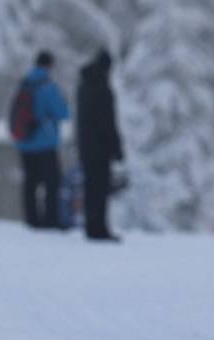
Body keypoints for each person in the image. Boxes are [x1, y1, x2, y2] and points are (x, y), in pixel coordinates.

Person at [13, 50, 70, 229]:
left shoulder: (25, 83)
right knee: (52, 183)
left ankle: (32, 220)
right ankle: (51, 220)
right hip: (45, 143)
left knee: (30, 182)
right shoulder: (48, 86)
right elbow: (63, 113)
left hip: (24, 142)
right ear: (50, 65)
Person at [76, 49, 125, 241]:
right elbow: (108, 123)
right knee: (101, 190)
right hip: (101, 150)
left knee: (90, 188)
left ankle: (91, 226)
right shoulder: (102, 88)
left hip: (86, 148)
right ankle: (100, 229)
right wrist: (117, 148)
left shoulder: (84, 85)